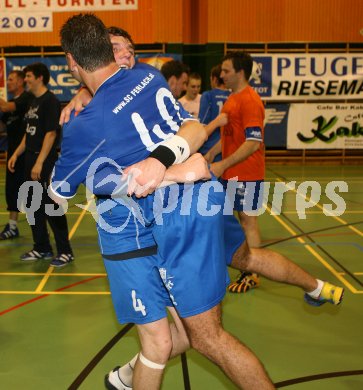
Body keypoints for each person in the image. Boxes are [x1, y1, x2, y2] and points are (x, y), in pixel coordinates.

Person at [57, 23, 344, 389]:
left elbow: (190, 131)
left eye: (129, 48)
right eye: (115, 48)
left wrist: (169, 168)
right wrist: (83, 94)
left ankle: (132, 373)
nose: (124, 54)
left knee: (203, 334)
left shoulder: (143, 80)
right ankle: (317, 286)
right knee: (243, 260)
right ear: (98, 55)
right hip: (199, 195)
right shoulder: (128, 90)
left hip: (185, 211)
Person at [205, 51, 264, 292]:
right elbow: (230, 135)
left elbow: (253, 142)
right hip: (231, 172)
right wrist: (212, 153)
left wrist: (223, 163)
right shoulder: (232, 98)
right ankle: (239, 261)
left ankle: (254, 272)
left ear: (240, 73)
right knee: (228, 219)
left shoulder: (250, 100)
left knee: (248, 221)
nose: (221, 74)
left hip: (248, 173)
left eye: (226, 70)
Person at [8, 62, 74, 267]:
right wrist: (16, 154)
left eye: (28, 76)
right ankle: (42, 247)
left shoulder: (50, 101)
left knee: (50, 206)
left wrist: (39, 162)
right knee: (32, 206)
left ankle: (65, 251)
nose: (25, 80)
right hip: (29, 159)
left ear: (39, 78)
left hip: (43, 161)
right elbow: (29, 134)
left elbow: (51, 133)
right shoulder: (33, 102)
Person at [0, 70, 33, 239]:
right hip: (13, 155)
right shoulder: (12, 102)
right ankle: (12, 227)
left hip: (27, 155)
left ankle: (43, 228)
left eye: (11, 79)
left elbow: (5, 107)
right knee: (12, 191)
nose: (8, 82)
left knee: (32, 193)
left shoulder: (26, 99)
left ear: (21, 82)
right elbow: (3, 126)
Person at [198, 64, 230, 161]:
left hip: (208, 149)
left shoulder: (208, 96)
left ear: (214, 79)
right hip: (226, 148)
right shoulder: (232, 96)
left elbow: (202, 125)